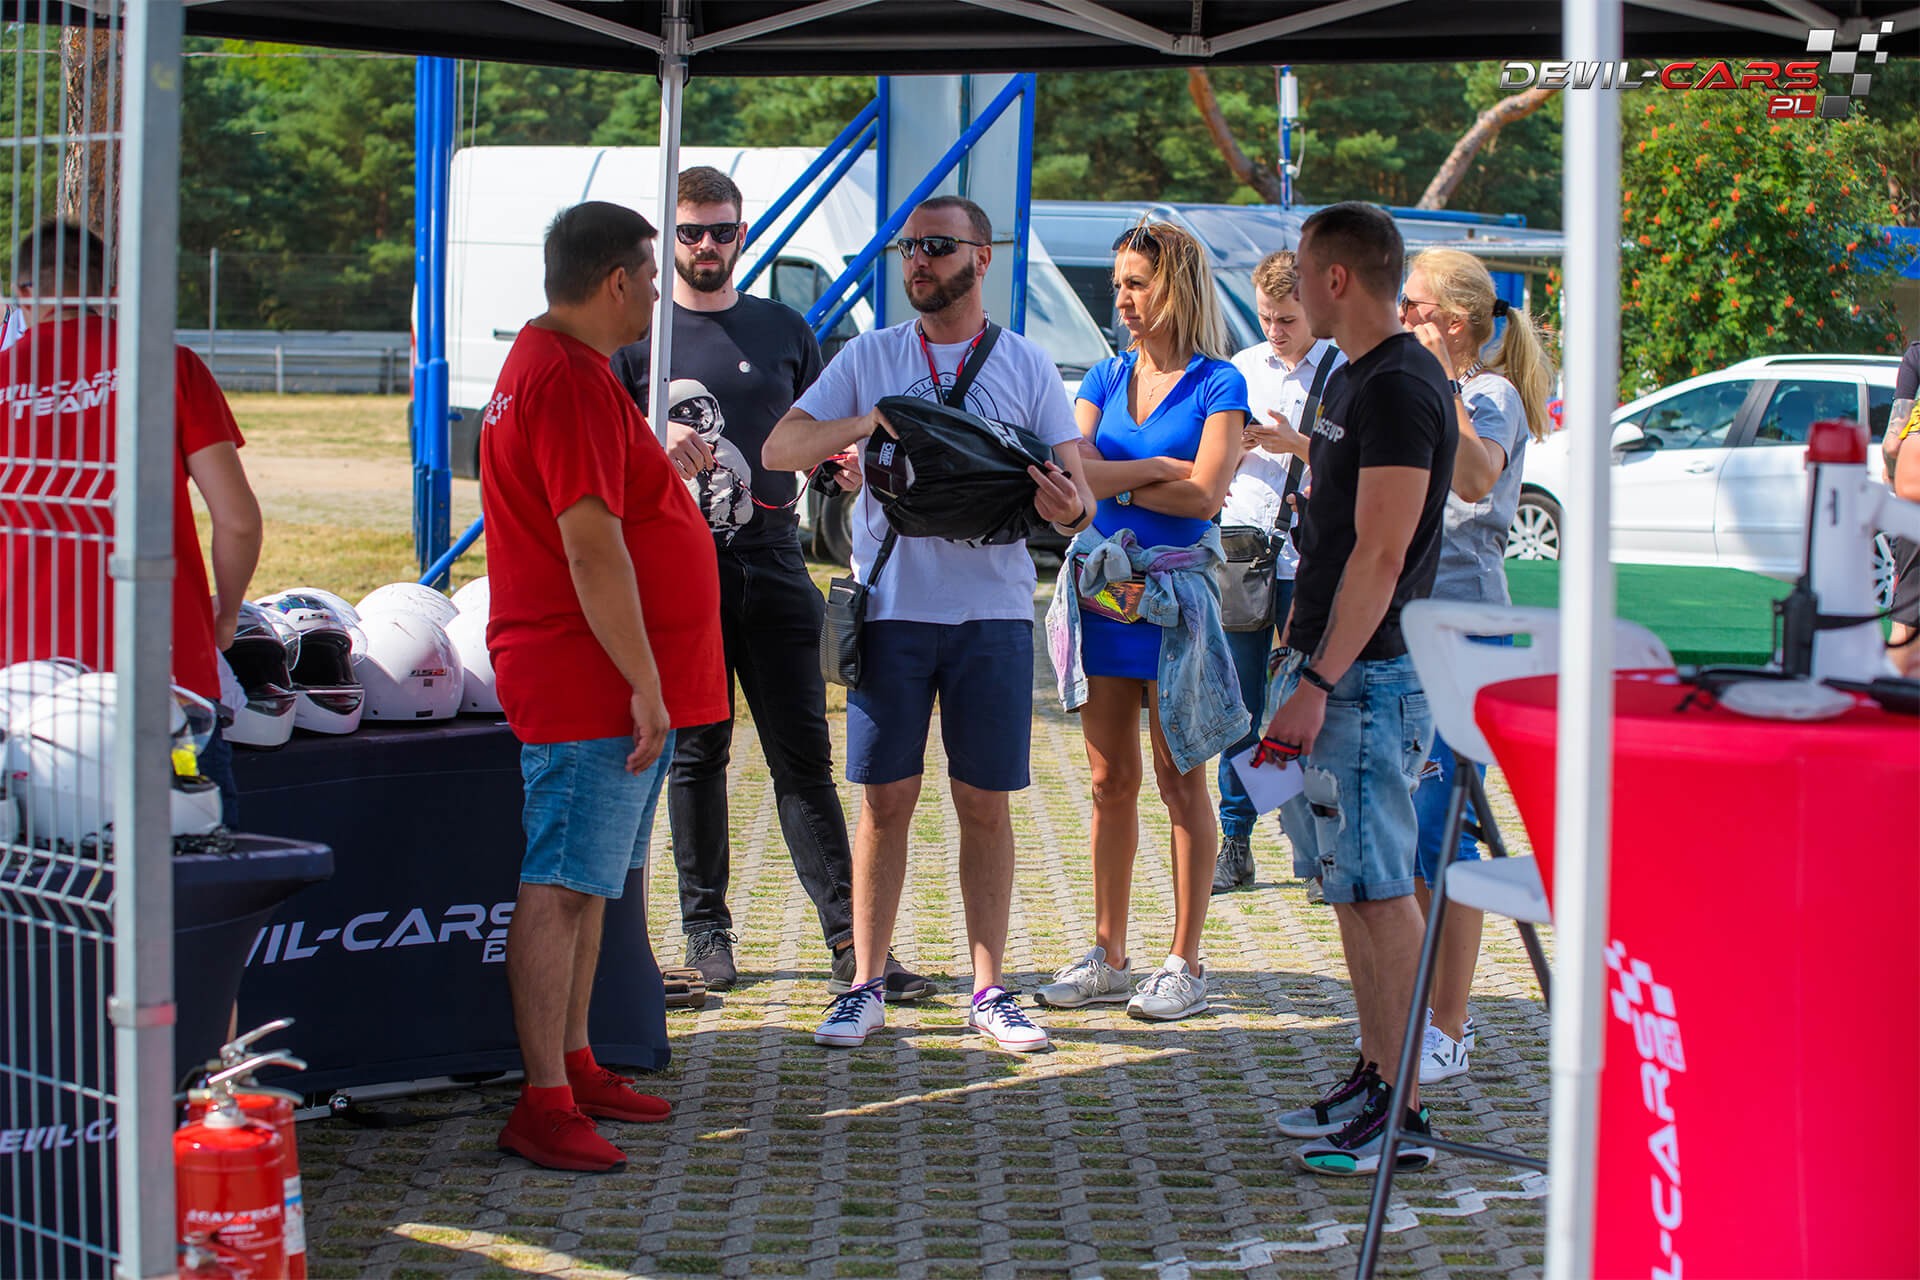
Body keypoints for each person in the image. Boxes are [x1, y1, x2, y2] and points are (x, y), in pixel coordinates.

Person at [763, 195, 1093, 1053]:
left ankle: (988, 990)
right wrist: (864, 421)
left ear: (982, 258)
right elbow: (779, 450)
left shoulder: (1025, 363)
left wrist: (1065, 505)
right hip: (891, 610)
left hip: (992, 614)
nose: (918, 262)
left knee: (984, 803)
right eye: (908, 248)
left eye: (937, 247)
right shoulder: (871, 355)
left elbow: (1080, 501)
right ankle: (865, 984)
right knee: (884, 803)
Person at [609, 167, 931, 1003]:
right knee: (697, 755)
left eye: (721, 230)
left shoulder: (784, 328)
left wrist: (839, 464)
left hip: (778, 566)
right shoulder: (639, 338)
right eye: (690, 232)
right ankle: (706, 935)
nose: (706, 246)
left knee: (804, 758)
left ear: (742, 235)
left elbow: (810, 433)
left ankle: (851, 941)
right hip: (679, 575)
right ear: (669, 238)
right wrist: (652, 437)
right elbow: (601, 450)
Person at [483, 201, 726, 1172]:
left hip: (597, 678)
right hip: (588, 679)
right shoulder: (566, 378)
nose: (659, 295)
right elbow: (590, 546)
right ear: (618, 280)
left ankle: (575, 1063)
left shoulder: (558, 368)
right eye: (652, 277)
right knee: (561, 885)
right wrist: (644, 682)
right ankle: (543, 1097)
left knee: (590, 886)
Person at [1260, 202, 1456, 1176]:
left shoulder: (1403, 385)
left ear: (1337, 278)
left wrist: (1319, 679)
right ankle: (1378, 1074)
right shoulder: (1348, 371)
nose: (1292, 285)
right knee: (1349, 886)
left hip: (1370, 675)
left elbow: (1381, 554)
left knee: (1382, 891)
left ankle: (1404, 1111)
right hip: (1328, 662)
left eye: (1302, 269)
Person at [1035, 222, 1247, 1022]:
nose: (1121, 298)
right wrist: (1158, 468)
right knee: (1107, 782)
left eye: (1137, 284)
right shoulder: (1105, 372)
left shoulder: (1220, 383)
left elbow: (1206, 495)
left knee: (1179, 777)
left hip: (1174, 604)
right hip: (1102, 595)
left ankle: (1185, 962)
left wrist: (1113, 480)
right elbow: (1068, 468)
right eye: (1119, 283)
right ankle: (1109, 955)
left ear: (1176, 286)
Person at [2, 220, 261, 824]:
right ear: (106, 287)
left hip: (25, 690)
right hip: (166, 682)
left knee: (49, 876)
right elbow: (238, 520)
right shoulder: (167, 366)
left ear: (22, 291)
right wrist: (225, 616)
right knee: (194, 861)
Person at [1399, 247, 1556, 1086]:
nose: (1401, 315)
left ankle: (1450, 1026)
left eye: (1414, 305)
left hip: (1465, 638)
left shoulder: (1487, 394)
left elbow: (1473, 479)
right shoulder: (1428, 385)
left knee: (1442, 835)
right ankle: (1416, 1009)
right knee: (1409, 836)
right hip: (1411, 629)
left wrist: (1441, 388)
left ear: (1453, 323)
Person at [1211, 249, 1343, 895]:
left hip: (1308, 559)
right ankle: (1235, 840)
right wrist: (1231, 449)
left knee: (1302, 709)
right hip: (1242, 549)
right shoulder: (1242, 369)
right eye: (1266, 317)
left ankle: (1314, 851)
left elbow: (1360, 466)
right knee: (1239, 708)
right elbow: (1211, 464)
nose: (1275, 330)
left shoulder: (1343, 369)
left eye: (1287, 319)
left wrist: (1297, 445)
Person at [1885, 338, 1919, 673]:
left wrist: (1892, 475)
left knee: (1906, 619)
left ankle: (1894, 693)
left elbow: (1892, 446)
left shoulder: (1917, 353)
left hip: (1913, 502)